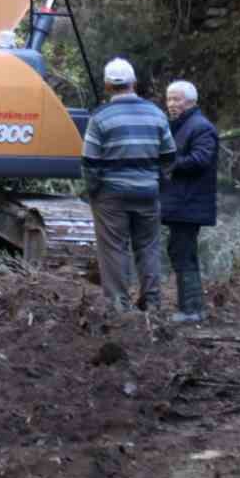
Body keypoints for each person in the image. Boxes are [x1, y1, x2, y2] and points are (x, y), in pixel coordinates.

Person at [82, 57, 176, 315]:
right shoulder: (156, 114)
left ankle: (119, 306)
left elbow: (90, 161)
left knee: (113, 248)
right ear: (134, 83)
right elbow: (169, 156)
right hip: (148, 191)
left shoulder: (100, 118)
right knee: (148, 247)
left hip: (111, 194)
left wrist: (93, 190)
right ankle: (152, 303)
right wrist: (157, 181)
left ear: (107, 86)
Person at [161, 79, 219, 324]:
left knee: (183, 253)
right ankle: (191, 307)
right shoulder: (179, 125)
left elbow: (201, 159)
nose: (172, 104)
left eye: (177, 99)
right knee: (180, 251)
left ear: (191, 101)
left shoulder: (201, 127)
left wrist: (170, 165)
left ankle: (193, 309)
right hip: (181, 202)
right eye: (169, 99)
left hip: (190, 202)